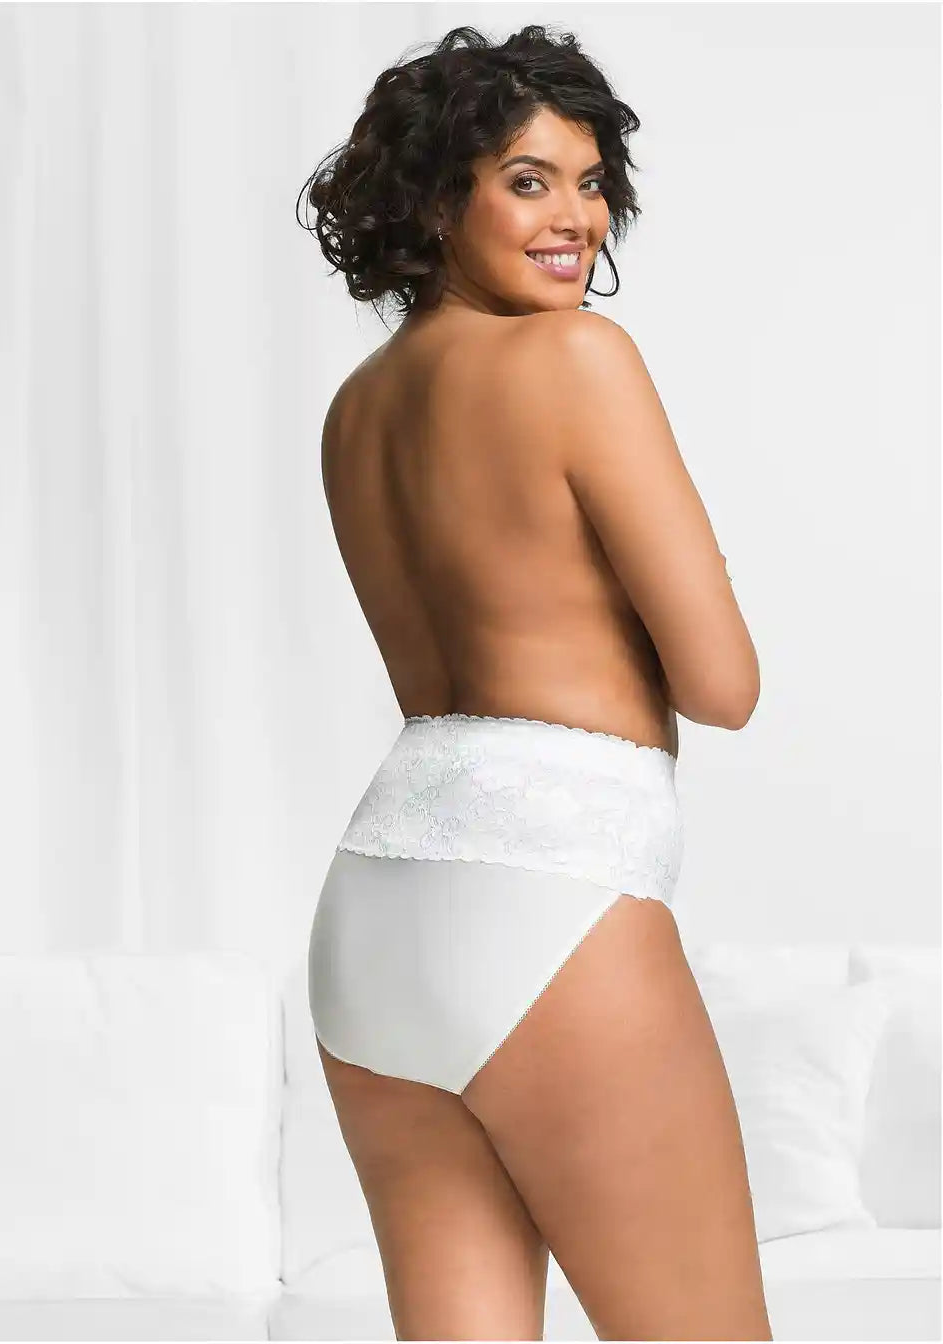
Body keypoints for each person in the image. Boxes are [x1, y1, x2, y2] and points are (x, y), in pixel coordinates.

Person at [297, 23, 771, 1342]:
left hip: (375, 920)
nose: (577, 217)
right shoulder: (580, 360)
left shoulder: (357, 409)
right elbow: (723, 683)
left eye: (590, 180)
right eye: (527, 181)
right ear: (432, 200)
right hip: (549, 894)